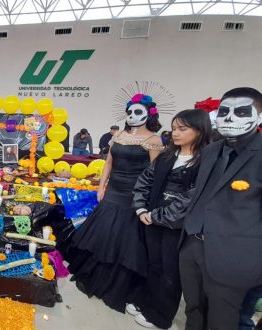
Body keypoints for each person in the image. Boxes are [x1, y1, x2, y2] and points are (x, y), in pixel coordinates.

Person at [63, 93, 164, 314]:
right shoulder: (119, 134)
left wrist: (145, 200)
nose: (132, 116)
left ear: (149, 114)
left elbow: (155, 173)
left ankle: (115, 283)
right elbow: (109, 161)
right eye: (130, 111)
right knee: (103, 236)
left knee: (123, 240)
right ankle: (94, 277)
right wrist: (101, 186)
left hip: (134, 196)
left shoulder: (154, 140)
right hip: (112, 192)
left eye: (138, 112)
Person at [179, 87, 262, 330]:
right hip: (192, 244)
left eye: (241, 112)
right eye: (224, 111)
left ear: (258, 116)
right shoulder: (211, 149)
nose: (229, 118)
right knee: (193, 311)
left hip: (235, 256)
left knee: (222, 320)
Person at [130, 109, 211, 329]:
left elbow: (190, 200)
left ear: (200, 130)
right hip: (151, 220)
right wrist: (140, 209)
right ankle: (146, 304)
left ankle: (160, 316)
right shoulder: (167, 155)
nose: (175, 133)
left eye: (182, 129)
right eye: (174, 128)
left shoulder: (206, 161)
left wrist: (155, 215)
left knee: (170, 273)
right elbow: (144, 180)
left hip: (178, 228)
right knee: (151, 264)